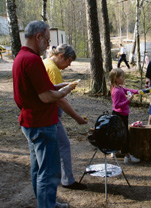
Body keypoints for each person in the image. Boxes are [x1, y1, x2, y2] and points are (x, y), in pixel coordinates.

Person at [12, 20, 74, 208]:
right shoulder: (32, 60)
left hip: (30, 122)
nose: (48, 45)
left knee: (38, 169)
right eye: (47, 40)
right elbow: (46, 97)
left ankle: (47, 203)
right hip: (41, 124)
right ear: (38, 36)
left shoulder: (21, 57)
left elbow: (37, 90)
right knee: (48, 171)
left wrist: (57, 86)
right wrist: (63, 92)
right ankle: (46, 205)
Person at [44, 44, 88, 190]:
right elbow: (59, 100)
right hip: (50, 115)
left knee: (54, 149)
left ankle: (61, 178)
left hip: (46, 115)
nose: (69, 65)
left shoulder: (46, 63)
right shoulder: (53, 69)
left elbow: (55, 90)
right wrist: (77, 118)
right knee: (63, 146)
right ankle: (67, 180)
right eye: (69, 60)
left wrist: (65, 88)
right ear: (61, 56)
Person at [109, 68, 140, 163]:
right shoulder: (116, 91)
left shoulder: (120, 88)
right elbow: (116, 105)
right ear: (116, 79)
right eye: (122, 77)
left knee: (121, 134)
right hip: (119, 115)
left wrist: (138, 91)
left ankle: (116, 151)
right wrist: (128, 100)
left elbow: (128, 90)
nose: (124, 78)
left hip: (123, 115)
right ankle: (127, 156)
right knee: (124, 135)